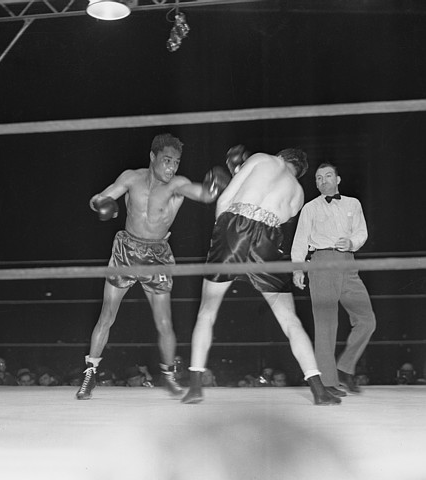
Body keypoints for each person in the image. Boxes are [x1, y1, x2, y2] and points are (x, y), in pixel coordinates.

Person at [76, 133, 231, 400]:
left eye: (176, 162)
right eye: (167, 161)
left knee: (164, 322)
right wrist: (102, 204)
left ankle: (169, 377)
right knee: (107, 315)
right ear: (153, 157)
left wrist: (219, 184)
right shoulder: (130, 178)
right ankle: (90, 373)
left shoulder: (177, 185)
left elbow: (204, 194)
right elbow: (98, 198)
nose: (171, 168)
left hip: (157, 255)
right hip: (125, 251)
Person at [181, 146, 339, 405]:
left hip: (234, 229)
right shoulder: (298, 194)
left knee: (207, 312)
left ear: (282, 157)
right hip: (268, 240)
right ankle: (319, 390)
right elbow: (281, 218)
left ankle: (196, 387)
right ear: (298, 172)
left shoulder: (262, 159)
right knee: (290, 321)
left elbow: (225, 199)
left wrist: (222, 233)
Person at [291, 162, 376, 396]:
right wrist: (298, 270)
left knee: (367, 320)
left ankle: (345, 368)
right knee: (326, 325)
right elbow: (299, 241)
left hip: (348, 263)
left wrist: (352, 243)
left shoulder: (353, 204)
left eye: (328, 176)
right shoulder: (310, 208)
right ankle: (328, 382)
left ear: (338, 179)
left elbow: (361, 232)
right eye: (318, 178)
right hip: (322, 263)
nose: (323, 181)